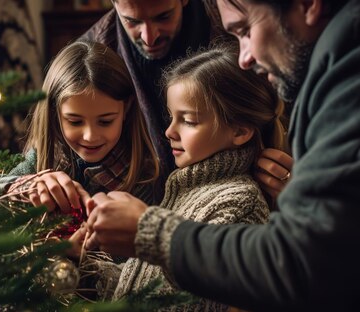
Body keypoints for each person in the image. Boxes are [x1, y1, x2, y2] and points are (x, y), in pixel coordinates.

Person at [84, 0, 360, 312]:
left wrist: (148, 232)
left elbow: (299, 264)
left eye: (245, 30)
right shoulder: (353, 60)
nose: (245, 58)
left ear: (308, 4)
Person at [69, 45, 287, 311]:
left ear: (240, 131)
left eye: (189, 121)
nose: (170, 131)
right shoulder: (184, 189)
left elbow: (197, 302)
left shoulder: (240, 201)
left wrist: (145, 229)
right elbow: (150, 288)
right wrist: (83, 266)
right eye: (172, 117)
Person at [81, 0, 292, 200]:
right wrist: (50, 175)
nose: (149, 37)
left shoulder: (240, 23)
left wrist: (299, 183)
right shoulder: (90, 57)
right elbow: (62, 149)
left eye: (163, 16)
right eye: (133, 21)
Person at [0, 40, 160, 234]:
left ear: (127, 108)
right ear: (54, 113)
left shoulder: (145, 178)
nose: (90, 136)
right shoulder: (45, 158)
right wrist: (20, 187)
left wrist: (76, 252)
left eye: (105, 121)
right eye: (75, 122)